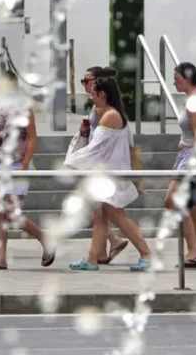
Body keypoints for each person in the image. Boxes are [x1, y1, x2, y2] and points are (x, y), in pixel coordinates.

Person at [66, 76, 151, 271]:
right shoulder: (107, 114)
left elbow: (95, 148)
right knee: (101, 216)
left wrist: (71, 161)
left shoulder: (110, 116)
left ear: (102, 94)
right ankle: (92, 259)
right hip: (107, 175)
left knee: (116, 216)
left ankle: (146, 253)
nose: (91, 97)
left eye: (94, 93)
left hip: (111, 176)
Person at [0, 69, 55, 269]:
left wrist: (24, 165)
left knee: (11, 213)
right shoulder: (0, 107)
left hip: (17, 163)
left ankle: (44, 238)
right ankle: (1, 258)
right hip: (0, 163)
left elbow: (32, 138)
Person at [164, 62, 196, 268]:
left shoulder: (195, 101)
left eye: (177, 78)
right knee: (194, 207)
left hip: (194, 157)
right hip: (194, 155)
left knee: (172, 201)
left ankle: (194, 249)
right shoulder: (195, 98)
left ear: (188, 78)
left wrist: (190, 158)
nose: (174, 82)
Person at [79, 66, 128, 264]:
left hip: (102, 165)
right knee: (98, 213)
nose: (84, 84)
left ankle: (143, 251)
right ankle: (99, 253)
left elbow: (105, 141)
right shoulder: (98, 106)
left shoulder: (105, 110)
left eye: (87, 80)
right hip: (99, 164)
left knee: (107, 213)